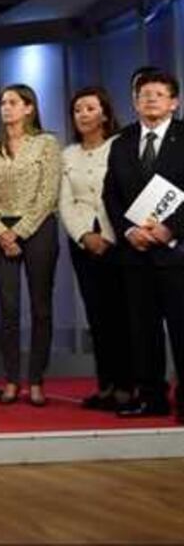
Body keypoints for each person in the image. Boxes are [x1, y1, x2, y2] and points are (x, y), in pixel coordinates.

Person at [102, 71, 184, 422]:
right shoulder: (122, 141)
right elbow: (111, 194)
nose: (150, 99)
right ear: (134, 102)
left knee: (182, 328)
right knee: (142, 330)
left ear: (174, 102)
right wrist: (127, 230)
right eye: (143, 94)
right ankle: (151, 398)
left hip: (176, 252)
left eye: (158, 94)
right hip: (134, 253)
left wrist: (171, 229)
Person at [0, 85, 61, 407]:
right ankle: (12, 379)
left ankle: (37, 380)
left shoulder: (46, 143)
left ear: (29, 108)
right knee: (8, 309)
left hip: (39, 228)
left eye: (13, 102)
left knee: (40, 307)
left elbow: (48, 194)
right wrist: (1, 232)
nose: (6, 108)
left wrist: (21, 232)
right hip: (1, 230)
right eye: (2, 102)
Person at [59, 86, 130, 411]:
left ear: (104, 113)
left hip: (120, 242)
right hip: (84, 244)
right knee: (97, 317)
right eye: (78, 110)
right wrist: (84, 235)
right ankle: (106, 385)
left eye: (90, 108)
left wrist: (110, 236)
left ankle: (127, 386)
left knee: (123, 316)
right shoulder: (68, 154)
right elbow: (65, 202)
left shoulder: (121, 146)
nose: (83, 115)